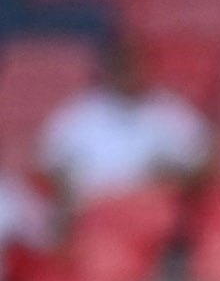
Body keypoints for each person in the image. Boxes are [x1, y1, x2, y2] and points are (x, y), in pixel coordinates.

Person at [38, 42, 211, 209]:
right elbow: (47, 163)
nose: (128, 75)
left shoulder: (171, 112)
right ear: (109, 70)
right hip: (89, 210)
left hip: (150, 211)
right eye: (121, 68)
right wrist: (67, 188)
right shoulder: (78, 113)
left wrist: (173, 179)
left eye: (133, 67)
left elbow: (205, 165)